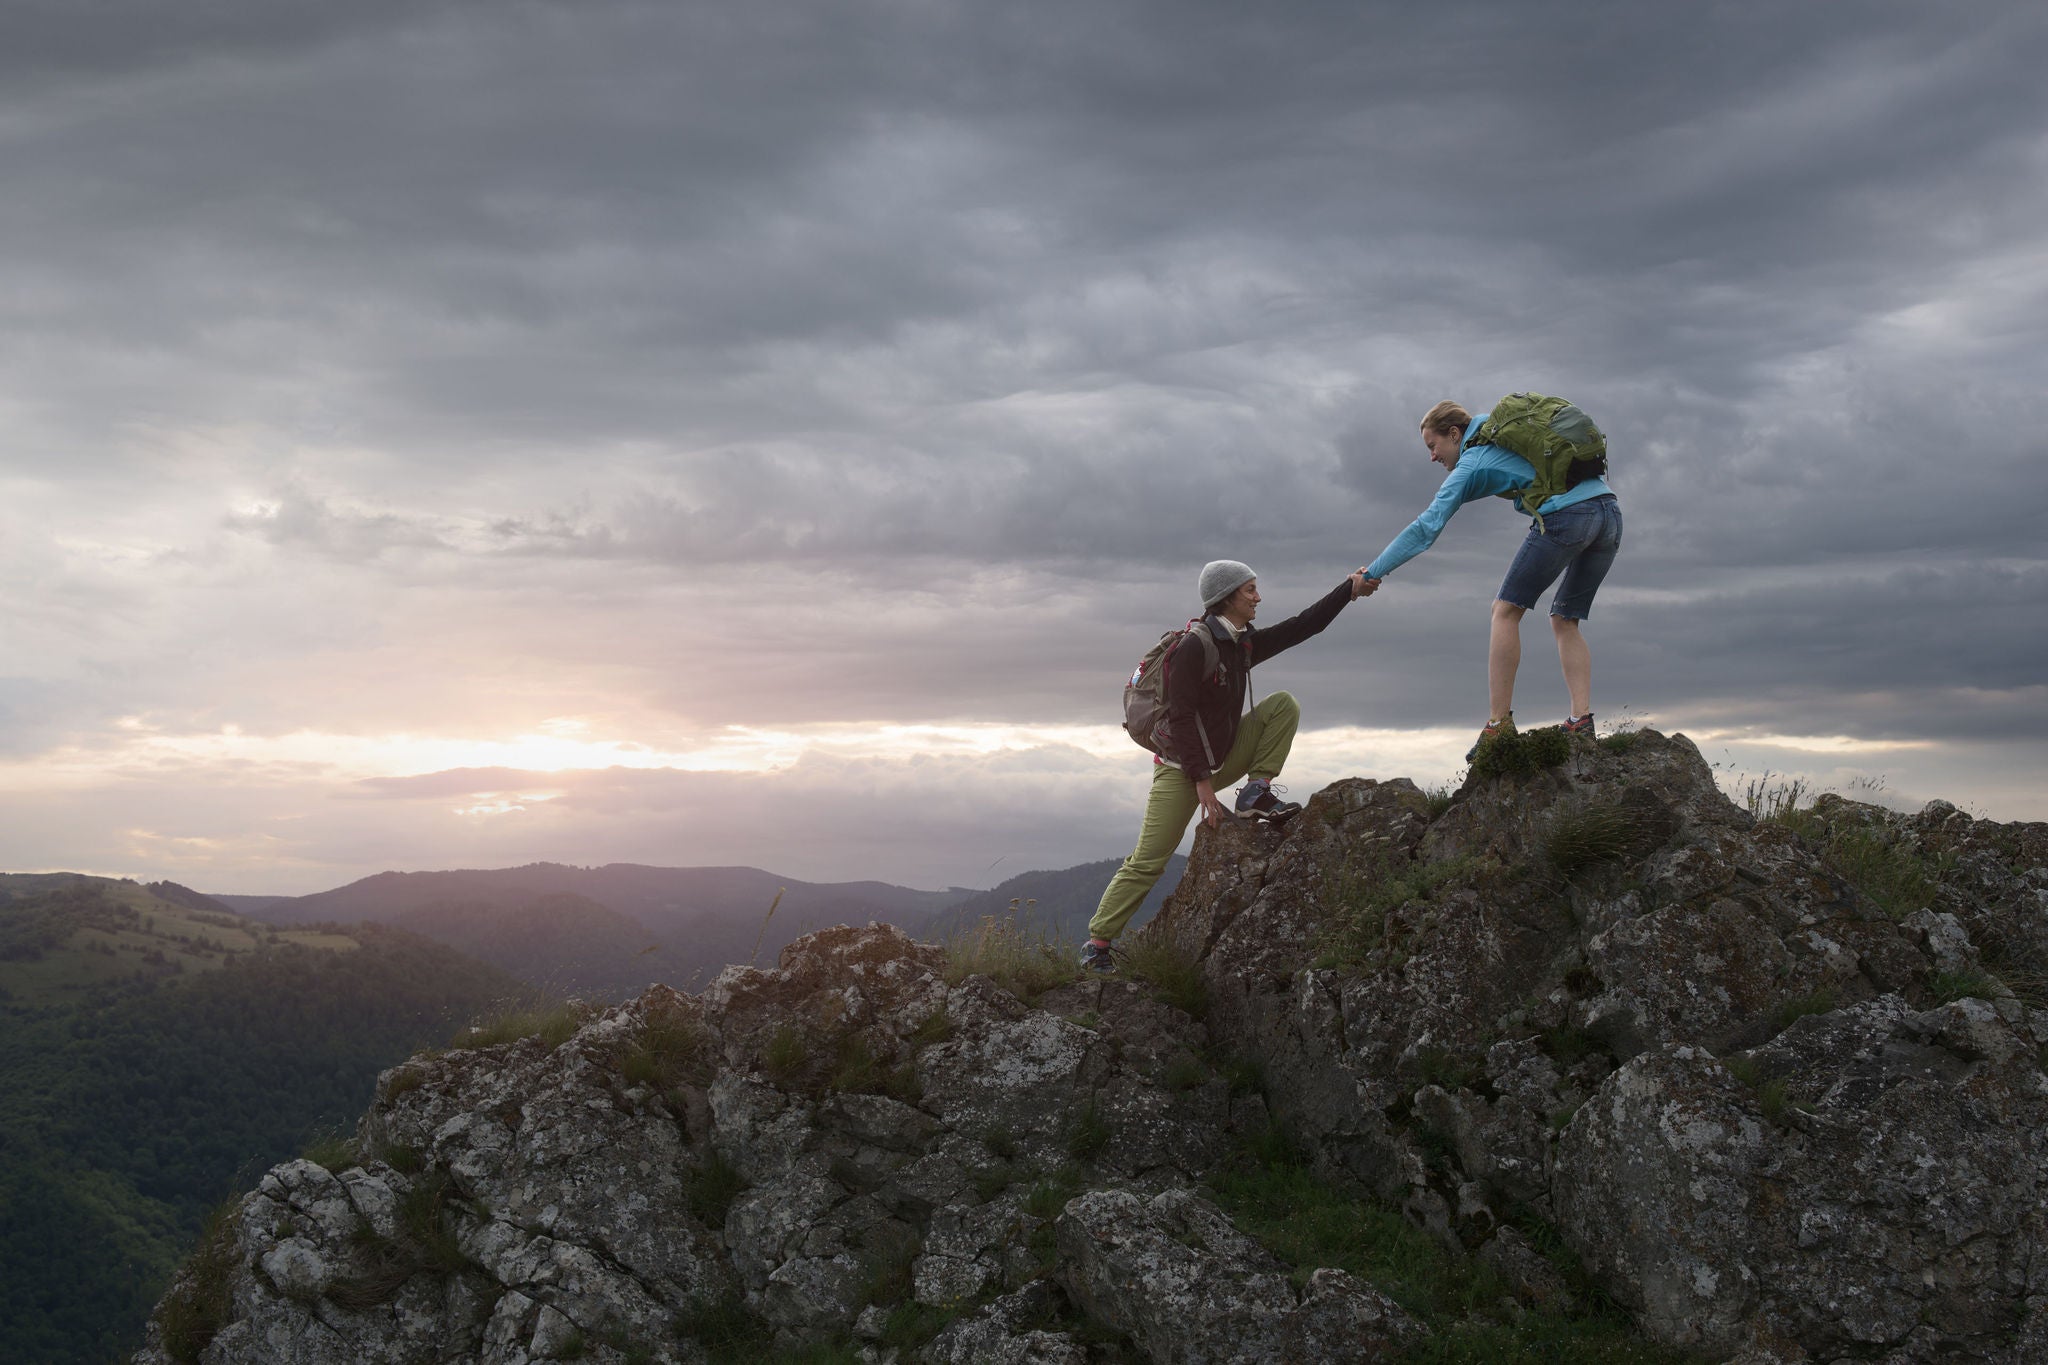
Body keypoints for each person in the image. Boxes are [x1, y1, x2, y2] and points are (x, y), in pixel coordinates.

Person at [1081, 560, 1376, 973]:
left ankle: (1255, 790)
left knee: (1283, 705)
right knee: (1149, 859)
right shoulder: (1195, 646)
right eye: (1250, 590)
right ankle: (1097, 944)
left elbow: (1304, 626)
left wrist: (1349, 590)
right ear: (1227, 596)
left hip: (1223, 753)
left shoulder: (1242, 644)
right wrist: (1202, 782)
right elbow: (1181, 717)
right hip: (1180, 768)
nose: (1258, 597)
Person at [1360, 398, 1621, 757]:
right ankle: (1581, 720)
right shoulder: (1500, 434)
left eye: (1433, 446)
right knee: (1565, 618)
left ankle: (1498, 726)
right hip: (1609, 512)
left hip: (1569, 516)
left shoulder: (1471, 463)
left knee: (1505, 610)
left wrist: (1372, 572)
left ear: (1455, 434)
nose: (1432, 457)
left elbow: (1426, 528)